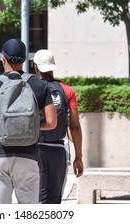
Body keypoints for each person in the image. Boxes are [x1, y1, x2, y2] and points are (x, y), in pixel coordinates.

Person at [0, 39, 57, 204]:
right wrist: (28, 127)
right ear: (25, 60)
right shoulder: (39, 85)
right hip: (29, 155)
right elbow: (52, 122)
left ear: (3, 58)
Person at [33, 49, 84, 203]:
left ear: (35, 66)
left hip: (35, 149)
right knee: (54, 201)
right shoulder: (67, 91)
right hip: (58, 150)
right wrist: (79, 157)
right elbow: (74, 126)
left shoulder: (30, 88)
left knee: (35, 200)